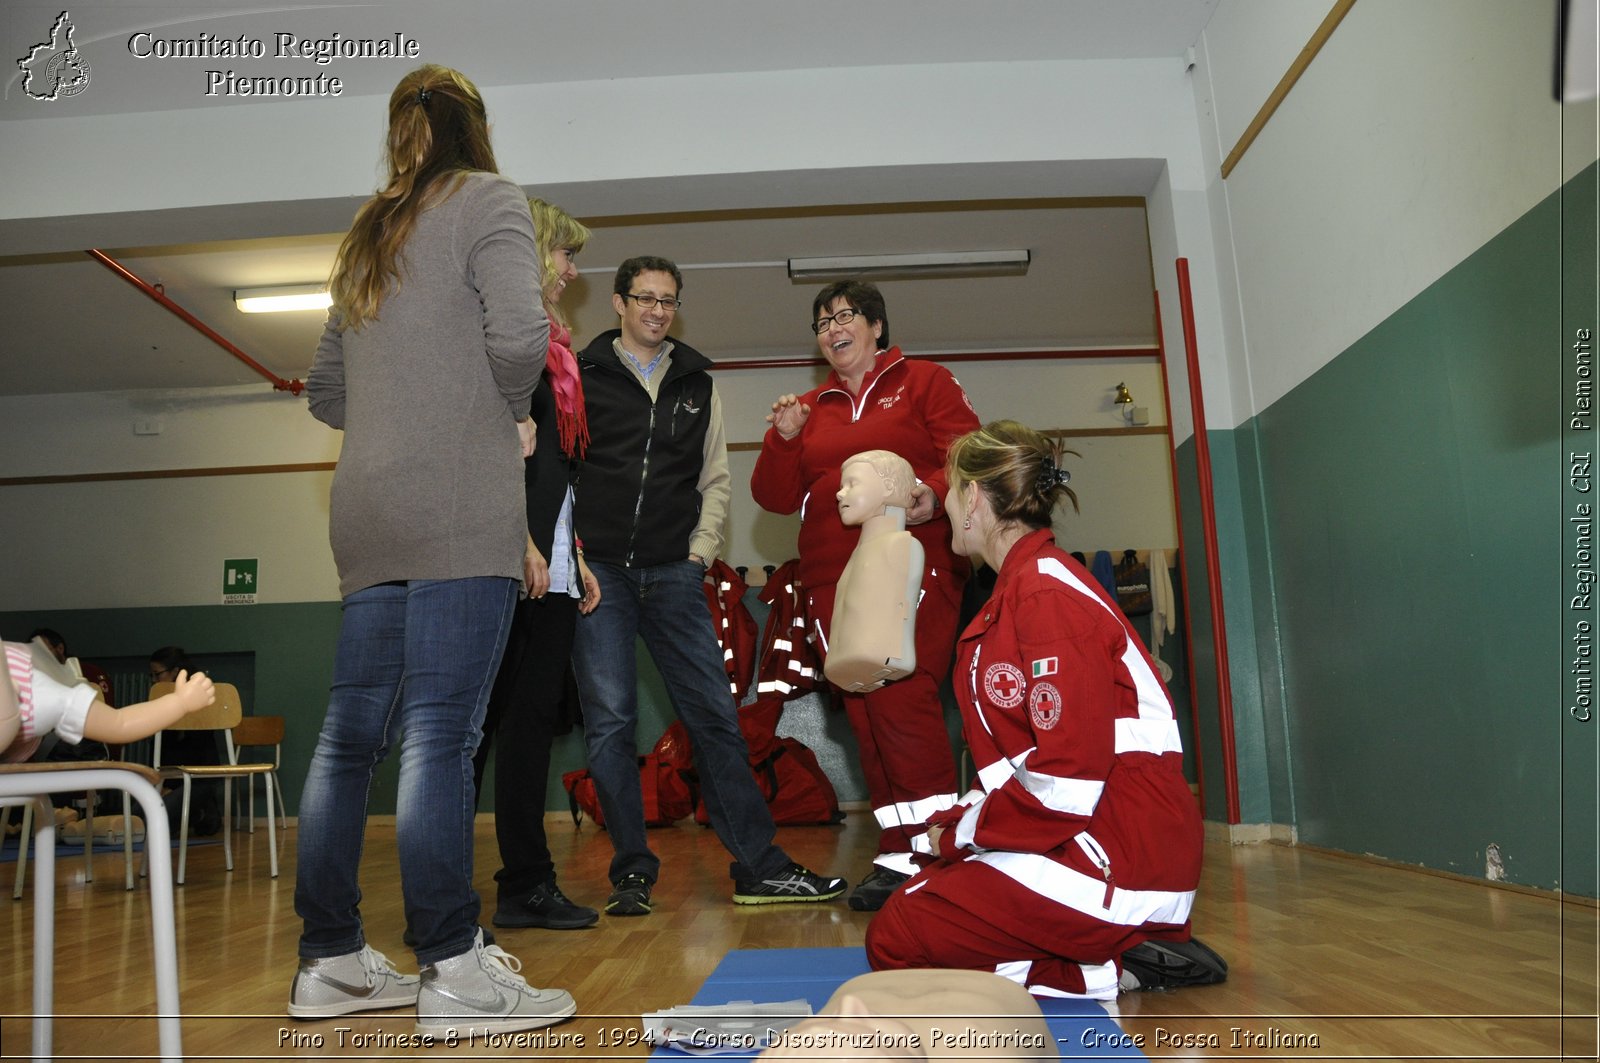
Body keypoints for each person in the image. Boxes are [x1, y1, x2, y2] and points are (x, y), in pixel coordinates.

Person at [290, 64, 574, 1036]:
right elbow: (522, 333)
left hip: (365, 510)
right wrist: (502, 417)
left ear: (399, 132)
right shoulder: (488, 197)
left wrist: (399, 412)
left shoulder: (373, 224)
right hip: (456, 503)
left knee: (346, 738)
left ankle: (328, 955)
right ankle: (452, 962)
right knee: (442, 736)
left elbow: (326, 389)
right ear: (475, 128)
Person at [865, 420, 1214, 1000]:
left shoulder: (1045, 594)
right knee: (921, 900)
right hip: (1095, 835)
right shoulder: (1022, 589)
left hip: (1122, 851)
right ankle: (1111, 952)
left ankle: (1115, 967)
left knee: (901, 933)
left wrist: (959, 838)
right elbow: (1021, 766)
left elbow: (1067, 777)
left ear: (973, 497)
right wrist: (955, 826)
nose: (946, 507)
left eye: (949, 491)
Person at [570, 255, 846, 915]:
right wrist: (571, 551)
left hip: (673, 571)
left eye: (668, 300)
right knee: (611, 724)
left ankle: (759, 865)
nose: (658, 311)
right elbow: (565, 469)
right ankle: (631, 870)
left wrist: (698, 554)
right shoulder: (580, 376)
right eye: (645, 298)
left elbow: (715, 479)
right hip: (596, 571)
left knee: (715, 718)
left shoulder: (697, 382)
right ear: (618, 303)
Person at [750, 280, 980, 911]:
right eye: (822, 321)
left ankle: (936, 848)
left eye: (845, 316)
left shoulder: (924, 381)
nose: (833, 328)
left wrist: (931, 495)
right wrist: (786, 438)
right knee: (863, 708)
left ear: (876, 326)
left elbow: (966, 454)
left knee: (903, 698)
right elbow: (772, 496)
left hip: (912, 560)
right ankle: (899, 847)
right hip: (830, 578)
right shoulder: (809, 405)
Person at [471, 197, 603, 931]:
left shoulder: (556, 352)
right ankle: (446, 901)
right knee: (475, 731)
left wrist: (570, 551)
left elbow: (555, 466)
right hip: (502, 559)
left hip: (549, 565)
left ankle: (525, 882)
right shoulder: (502, 342)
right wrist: (516, 539)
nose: (571, 270)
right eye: (564, 254)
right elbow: (492, 457)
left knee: (527, 728)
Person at [2, 637, 215, 761]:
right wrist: (181, 702)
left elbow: (119, 724)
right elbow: (118, 723)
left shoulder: (37, 690)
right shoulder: (35, 688)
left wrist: (181, 702)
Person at [824, 451, 923, 692]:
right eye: (841, 486)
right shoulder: (854, 558)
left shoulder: (901, 545)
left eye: (852, 484)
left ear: (888, 487)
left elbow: (903, 608)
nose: (839, 493)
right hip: (844, 667)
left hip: (881, 662)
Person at [148, 645, 224, 835]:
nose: (154, 680)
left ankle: (201, 814)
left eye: (158, 674)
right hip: (169, 778)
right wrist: (160, 784)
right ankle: (196, 814)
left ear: (175, 672)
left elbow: (199, 751)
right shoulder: (160, 700)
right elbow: (158, 749)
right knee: (140, 816)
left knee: (158, 819)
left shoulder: (198, 697)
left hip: (199, 777)